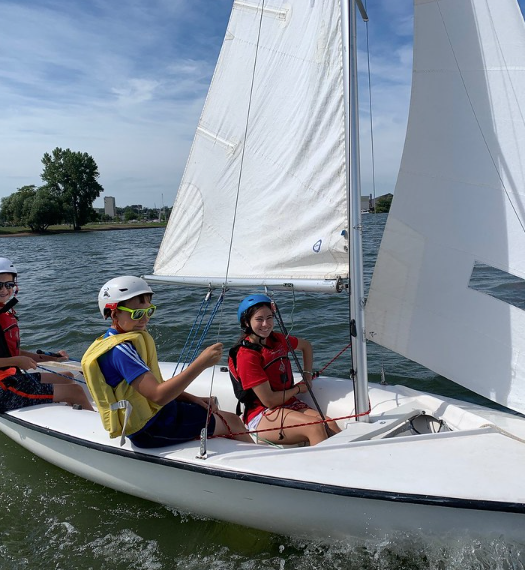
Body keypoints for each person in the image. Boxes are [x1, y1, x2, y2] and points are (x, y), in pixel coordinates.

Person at [81, 276, 252, 448]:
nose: (145, 319)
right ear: (114, 313)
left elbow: (153, 388)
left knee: (213, 412)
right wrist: (201, 363)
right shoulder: (121, 352)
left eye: (149, 311)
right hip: (152, 428)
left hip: (154, 416)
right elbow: (158, 395)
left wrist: (193, 399)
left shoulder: (116, 340)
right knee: (233, 421)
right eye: (137, 314)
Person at [228, 294, 341, 446]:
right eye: (259, 319)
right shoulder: (247, 356)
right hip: (261, 414)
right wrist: (299, 389)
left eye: (269, 317)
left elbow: (306, 346)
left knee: (331, 425)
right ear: (246, 322)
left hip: (288, 404)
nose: (266, 324)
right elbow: (269, 400)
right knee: (314, 428)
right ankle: (322, 469)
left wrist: (307, 376)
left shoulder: (277, 340)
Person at [0, 256, 93, 412]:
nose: (4, 289)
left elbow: (11, 352)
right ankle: (96, 430)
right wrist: (17, 360)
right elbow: (15, 357)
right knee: (75, 391)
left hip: (13, 379)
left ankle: (73, 418)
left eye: (9, 284)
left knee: (68, 376)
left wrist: (51, 358)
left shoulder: (4, 312)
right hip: (4, 391)